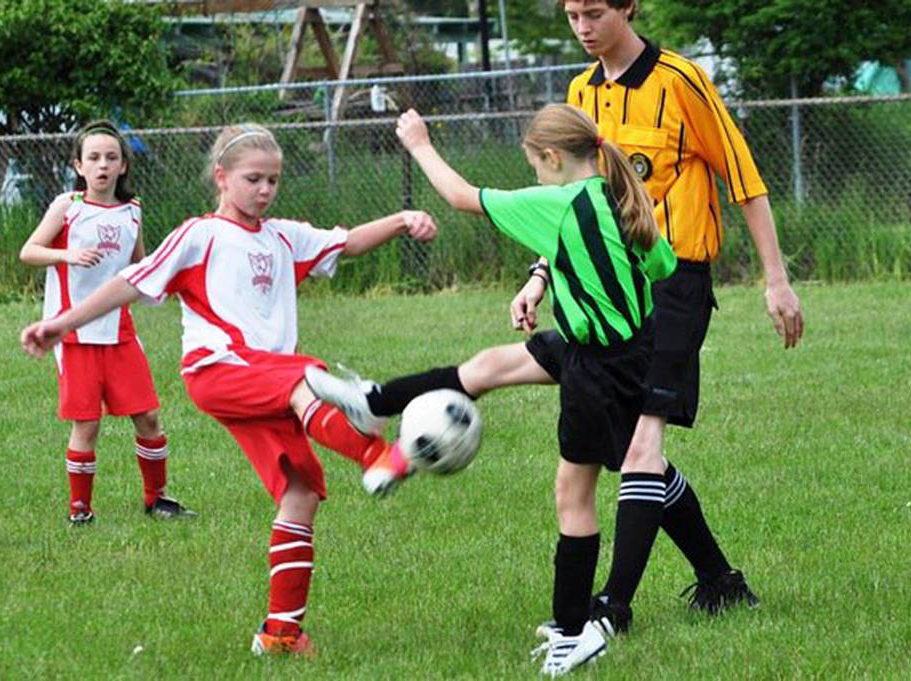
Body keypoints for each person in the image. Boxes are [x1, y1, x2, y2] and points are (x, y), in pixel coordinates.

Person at [308, 0, 806, 645]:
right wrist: (540, 277)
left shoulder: (680, 81)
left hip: (669, 290)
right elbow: (573, 210)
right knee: (510, 379)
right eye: (571, 15)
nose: (581, 27)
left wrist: (776, 279)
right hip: (601, 292)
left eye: (593, 12)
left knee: (639, 453)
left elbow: (744, 179)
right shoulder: (579, 94)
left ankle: (610, 611)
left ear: (627, 7)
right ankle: (717, 579)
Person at [20, 123, 437, 657]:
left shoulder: (283, 236)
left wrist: (402, 220)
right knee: (304, 377)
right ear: (222, 177)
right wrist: (61, 323)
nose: (264, 190)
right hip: (218, 371)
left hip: (268, 382)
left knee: (300, 493)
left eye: (273, 180)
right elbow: (131, 281)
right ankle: (376, 453)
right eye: (253, 179)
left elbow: (346, 241)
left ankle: (281, 633)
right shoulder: (199, 235)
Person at [386, 103, 675, 676]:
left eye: (536, 167)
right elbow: (661, 265)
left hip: (597, 364)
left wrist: (419, 144)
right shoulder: (616, 196)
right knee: (615, 474)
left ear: (551, 158)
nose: (536, 178)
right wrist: (555, 280)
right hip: (632, 350)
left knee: (575, 494)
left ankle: (573, 632)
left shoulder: (560, 202)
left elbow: (462, 197)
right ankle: (576, 620)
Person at [19, 120, 194, 525]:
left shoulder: (132, 211)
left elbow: (140, 264)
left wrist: (168, 282)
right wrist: (67, 256)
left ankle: (157, 500)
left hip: (120, 332)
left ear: (123, 166)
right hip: (75, 334)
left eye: (111, 158)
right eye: (93, 158)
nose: (102, 165)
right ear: (79, 166)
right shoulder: (68, 207)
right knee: (87, 425)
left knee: (148, 417)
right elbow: (29, 251)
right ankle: (80, 511)